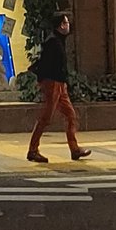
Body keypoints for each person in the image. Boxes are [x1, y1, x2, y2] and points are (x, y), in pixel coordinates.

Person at [27, 13, 90, 164]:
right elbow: (46, 64)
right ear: (61, 25)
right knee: (46, 118)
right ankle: (33, 150)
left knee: (71, 115)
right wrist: (46, 82)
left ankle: (74, 149)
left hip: (60, 84)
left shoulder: (59, 40)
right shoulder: (53, 42)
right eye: (66, 23)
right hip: (53, 84)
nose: (69, 25)